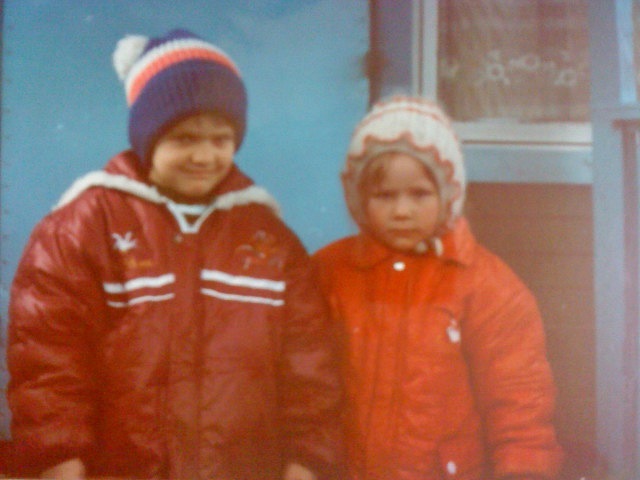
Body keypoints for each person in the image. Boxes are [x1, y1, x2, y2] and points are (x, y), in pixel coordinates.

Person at [5, 28, 343, 480]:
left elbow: (311, 368)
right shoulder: (85, 227)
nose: (204, 156)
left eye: (220, 139)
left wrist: (308, 461)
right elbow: (48, 359)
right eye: (184, 138)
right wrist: (59, 459)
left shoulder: (269, 240)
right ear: (148, 139)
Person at [312, 96, 564, 479]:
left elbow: (518, 399)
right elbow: (303, 383)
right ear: (359, 198)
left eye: (419, 194)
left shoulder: (487, 287)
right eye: (384, 196)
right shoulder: (329, 272)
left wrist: (522, 470)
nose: (401, 211)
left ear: (448, 193)